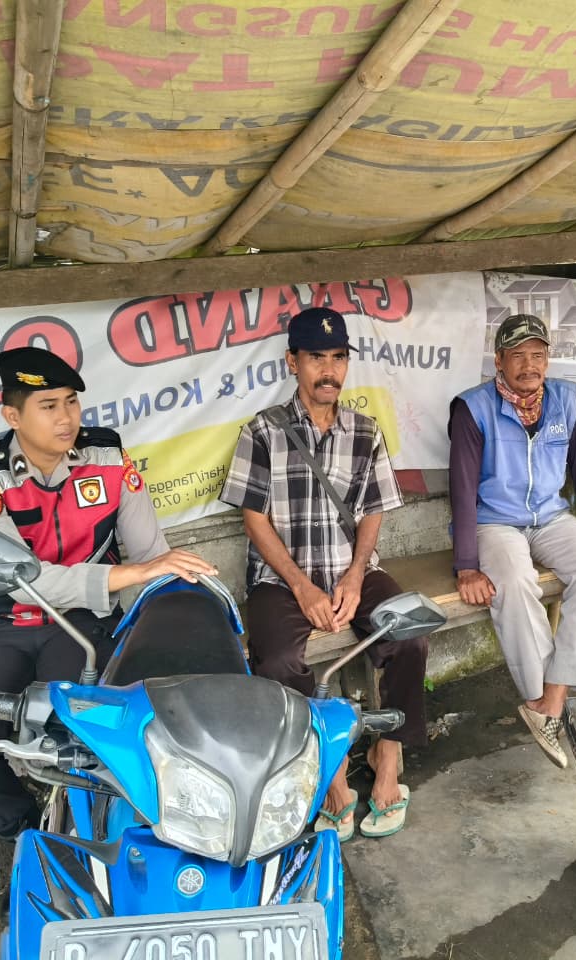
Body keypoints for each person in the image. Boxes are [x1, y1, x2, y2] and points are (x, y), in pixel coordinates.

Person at [0, 346, 216, 840]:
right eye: (48, 406)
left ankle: (99, 838)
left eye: (71, 402)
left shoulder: (108, 458)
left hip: (83, 622)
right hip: (2, 626)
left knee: (93, 734)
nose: (66, 418)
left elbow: (151, 553)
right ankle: (30, 836)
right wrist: (131, 574)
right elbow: (26, 582)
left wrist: (177, 617)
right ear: (12, 416)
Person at [219, 307, 426, 840]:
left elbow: (373, 512)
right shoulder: (262, 431)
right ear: (293, 362)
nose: (328, 370)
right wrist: (302, 586)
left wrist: (355, 576)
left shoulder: (365, 432)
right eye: (316, 358)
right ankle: (331, 770)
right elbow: (254, 519)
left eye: (337, 358)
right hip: (282, 580)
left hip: (351, 570)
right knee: (278, 661)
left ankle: (387, 755)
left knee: (410, 636)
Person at [449, 313, 576, 769]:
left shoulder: (564, 399)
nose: (529, 365)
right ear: (499, 361)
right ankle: (538, 697)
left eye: (538, 355)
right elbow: (462, 489)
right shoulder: (473, 408)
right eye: (518, 356)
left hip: (550, 515)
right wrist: (466, 565)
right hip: (495, 521)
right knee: (513, 581)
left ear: (547, 359)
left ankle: (551, 699)